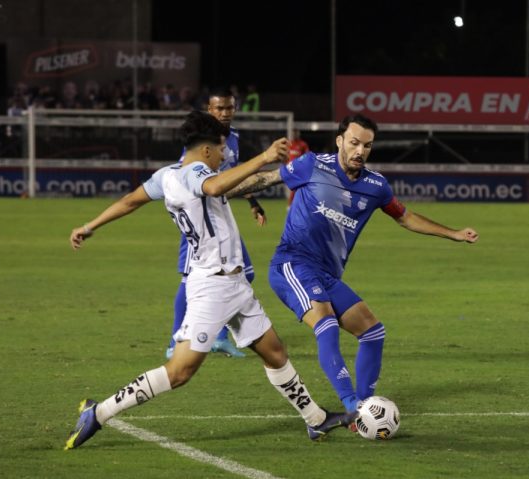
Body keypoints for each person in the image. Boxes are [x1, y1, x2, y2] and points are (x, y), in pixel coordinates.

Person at [65, 111, 355, 450]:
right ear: (205, 151)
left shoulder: (166, 176)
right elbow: (215, 184)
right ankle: (98, 413)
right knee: (180, 372)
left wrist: (89, 226)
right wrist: (263, 157)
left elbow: (130, 201)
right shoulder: (198, 172)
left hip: (233, 284)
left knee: (275, 352)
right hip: (212, 286)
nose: (223, 157)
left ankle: (316, 420)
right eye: (221, 151)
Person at [228, 114, 479, 413]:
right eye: (354, 143)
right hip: (292, 263)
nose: (360, 151)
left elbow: (406, 217)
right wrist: (216, 190)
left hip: (328, 275)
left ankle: (364, 405)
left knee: (373, 332)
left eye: (367, 146)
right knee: (327, 323)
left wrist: (453, 234)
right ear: (340, 141)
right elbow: (265, 179)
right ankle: (351, 406)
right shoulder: (312, 164)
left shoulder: (376, 186)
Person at [164, 88, 268, 360]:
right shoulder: (199, 141)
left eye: (229, 108)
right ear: (209, 110)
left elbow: (234, 173)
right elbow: (182, 174)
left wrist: (253, 202)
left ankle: (219, 337)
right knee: (189, 279)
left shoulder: (232, 138)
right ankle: (176, 341)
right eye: (219, 109)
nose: (225, 113)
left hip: (221, 219)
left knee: (244, 273)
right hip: (199, 220)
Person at [285, 128, 309, 207]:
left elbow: (307, 156)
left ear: (299, 134)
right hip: (290, 169)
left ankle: (293, 205)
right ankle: (290, 205)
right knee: (294, 188)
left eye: (296, 133)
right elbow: (285, 157)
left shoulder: (302, 144)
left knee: (298, 188)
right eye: (294, 133)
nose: (295, 134)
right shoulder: (289, 144)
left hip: (299, 169)